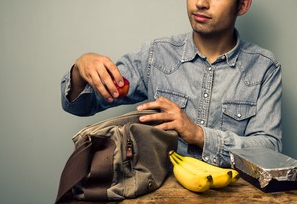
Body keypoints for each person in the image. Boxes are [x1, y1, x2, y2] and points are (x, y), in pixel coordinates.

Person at [61, 0, 282, 167]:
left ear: (242, 5)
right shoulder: (155, 56)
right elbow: (81, 105)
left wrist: (199, 135)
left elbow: (270, 151)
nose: (200, 4)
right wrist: (81, 69)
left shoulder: (264, 68)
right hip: (156, 203)